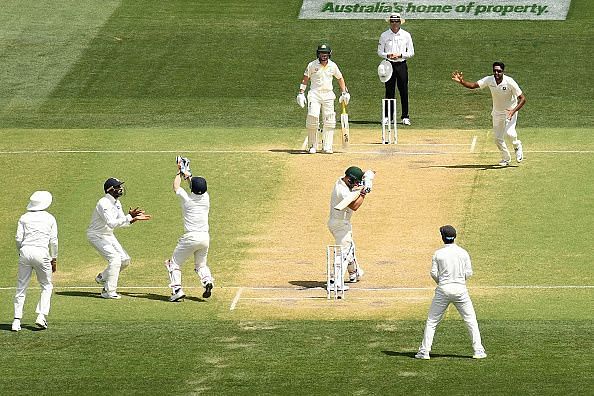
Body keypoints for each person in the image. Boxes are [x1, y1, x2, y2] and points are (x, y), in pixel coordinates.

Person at [415, 225, 487, 360]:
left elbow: (433, 273)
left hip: (443, 290)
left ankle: (424, 352)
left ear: (442, 238)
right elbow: (468, 273)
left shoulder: (438, 254)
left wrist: (442, 283)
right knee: (471, 320)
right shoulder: (463, 253)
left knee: (432, 321)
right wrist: (459, 281)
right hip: (461, 290)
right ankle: (478, 351)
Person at [87, 177, 151, 299]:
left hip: (108, 234)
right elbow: (111, 223)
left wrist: (133, 219)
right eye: (117, 187)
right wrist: (128, 217)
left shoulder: (117, 203)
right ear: (109, 190)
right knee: (115, 259)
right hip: (96, 235)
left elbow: (123, 223)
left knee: (125, 260)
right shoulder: (103, 203)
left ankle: (102, 277)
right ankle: (108, 291)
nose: (120, 189)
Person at [452, 62, 526, 166]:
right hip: (497, 112)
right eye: (495, 71)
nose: (496, 73)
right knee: (497, 138)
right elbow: (473, 86)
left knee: (510, 133)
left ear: (503, 72)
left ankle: (517, 146)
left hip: (511, 111)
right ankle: (506, 158)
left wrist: (512, 111)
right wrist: (461, 81)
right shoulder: (489, 80)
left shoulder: (510, 82)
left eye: (499, 71)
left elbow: (523, 99)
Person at [164, 163, 215, 302]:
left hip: (190, 238)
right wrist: (188, 175)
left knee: (173, 264)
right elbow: (194, 186)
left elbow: (176, 187)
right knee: (201, 265)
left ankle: (177, 290)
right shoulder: (206, 198)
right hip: (205, 238)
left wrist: (179, 173)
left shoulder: (187, 199)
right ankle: (207, 281)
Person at [12, 191, 58, 331]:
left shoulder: (24, 217)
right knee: (46, 285)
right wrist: (54, 258)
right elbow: (54, 241)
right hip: (42, 253)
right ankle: (41, 316)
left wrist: (21, 251)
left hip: (25, 252)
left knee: (21, 286)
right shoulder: (50, 218)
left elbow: (18, 239)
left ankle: (16, 321)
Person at [297, 43, 350, 154]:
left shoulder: (333, 66)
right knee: (312, 118)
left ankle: (327, 146)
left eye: (325, 53)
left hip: (328, 95)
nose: (324, 55)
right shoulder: (312, 65)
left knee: (329, 120)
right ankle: (312, 145)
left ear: (329, 54)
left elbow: (340, 78)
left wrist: (344, 92)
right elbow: (305, 79)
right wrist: (301, 93)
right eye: (322, 53)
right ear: (318, 54)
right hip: (314, 94)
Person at [327, 166, 367, 291]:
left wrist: (367, 177)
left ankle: (354, 273)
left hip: (338, 223)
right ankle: (336, 282)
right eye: (355, 182)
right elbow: (354, 206)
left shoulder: (342, 182)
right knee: (344, 253)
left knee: (350, 248)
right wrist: (363, 193)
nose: (356, 184)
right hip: (340, 225)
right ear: (349, 179)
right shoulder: (342, 191)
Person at [378, 12, 414, 126]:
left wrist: (400, 55)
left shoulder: (406, 35)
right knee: (389, 91)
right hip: (389, 65)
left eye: (396, 21)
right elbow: (379, 52)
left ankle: (405, 116)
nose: (394, 24)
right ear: (390, 22)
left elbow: (411, 52)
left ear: (400, 22)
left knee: (403, 90)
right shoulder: (384, 35)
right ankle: (388, 117)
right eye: (392, 21)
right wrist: (388, 55)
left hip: (401, 64)